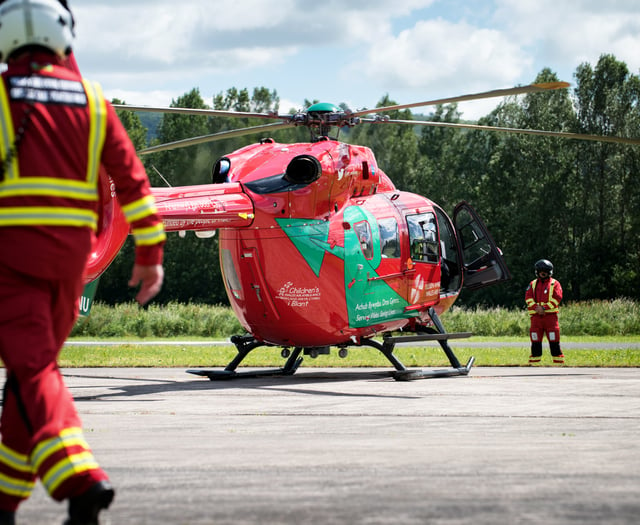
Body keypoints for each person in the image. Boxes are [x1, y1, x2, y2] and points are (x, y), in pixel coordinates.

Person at [0, 1, 166, 524]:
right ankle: (3, 502)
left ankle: (80, 478)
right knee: (28, 380)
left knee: (32, 371)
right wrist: (150, 256)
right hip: (71, 267)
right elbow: (135, 184)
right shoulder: (92, 102)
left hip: (12, 261)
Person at [525, 259, 564, 365]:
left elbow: (557, 298)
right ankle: (534, 361)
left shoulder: (555, 284)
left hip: (550, 317)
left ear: (549, 272)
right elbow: (528, 297)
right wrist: (536, 307)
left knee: (553, 338)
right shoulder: (532, 284)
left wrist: (544, 308)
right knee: (535, 338)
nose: (543, 273)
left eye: (545, 271)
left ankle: (558, 361)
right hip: (536, 317)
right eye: (541, 271)